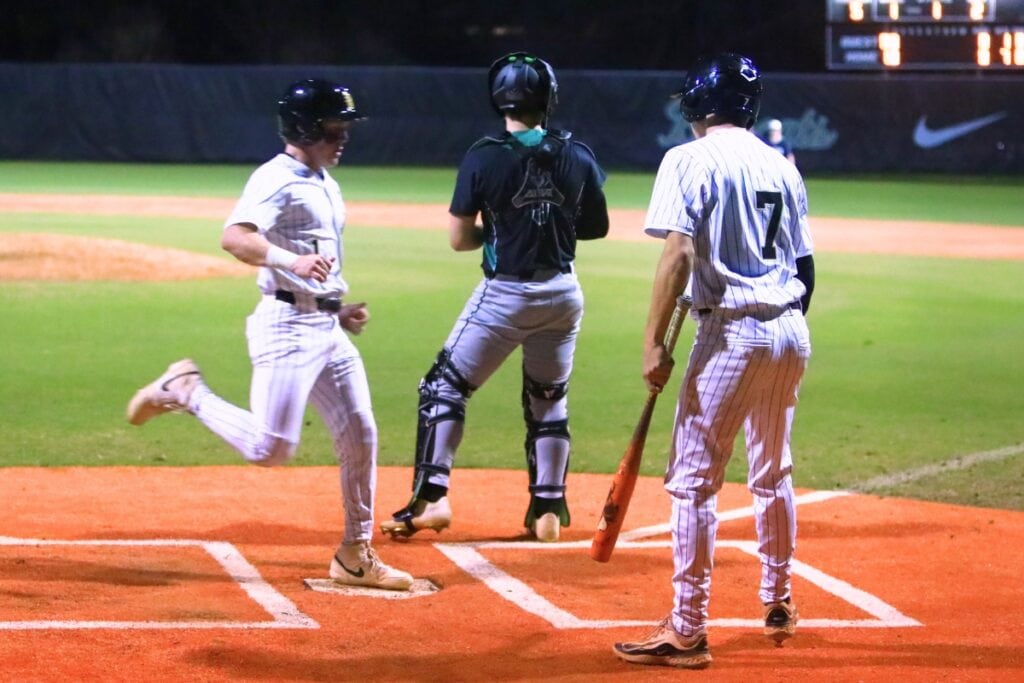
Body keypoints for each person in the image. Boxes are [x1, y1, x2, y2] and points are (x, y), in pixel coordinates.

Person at [126, 78, 413, 591]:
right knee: (271, 447)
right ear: (304, 126)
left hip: (323, 324)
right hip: (286, 328)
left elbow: (314, 259)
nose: (343, 135)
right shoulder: (276, 178)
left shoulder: (323, 178)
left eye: (344, 125)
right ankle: (187, 391)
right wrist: (292, 260)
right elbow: (234, 237)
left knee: (361, 435)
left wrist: (336, 307)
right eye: (333, 126)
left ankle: (354, 553)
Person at [613, 54, 815, 669]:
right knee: (772, 469)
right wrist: (781, 327)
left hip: (731, 333)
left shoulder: (687, 158)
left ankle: (686, 627)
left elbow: (676, 255)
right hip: (791, 329)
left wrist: (652, 342)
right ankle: (778, 598)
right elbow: (805, 270)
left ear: (699, 105)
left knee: (693, 483)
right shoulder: (782, 166)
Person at [380, 51, 609, 543]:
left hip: (506, 294)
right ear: (548, 99)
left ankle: (432, 499)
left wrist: (501, 228)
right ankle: (547, 510)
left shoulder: (483, 155)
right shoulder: (580, 154)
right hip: (564, 295)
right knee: (548, 398)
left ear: (497, 99)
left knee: (443, 389)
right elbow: (595, 227)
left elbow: (460, 239)